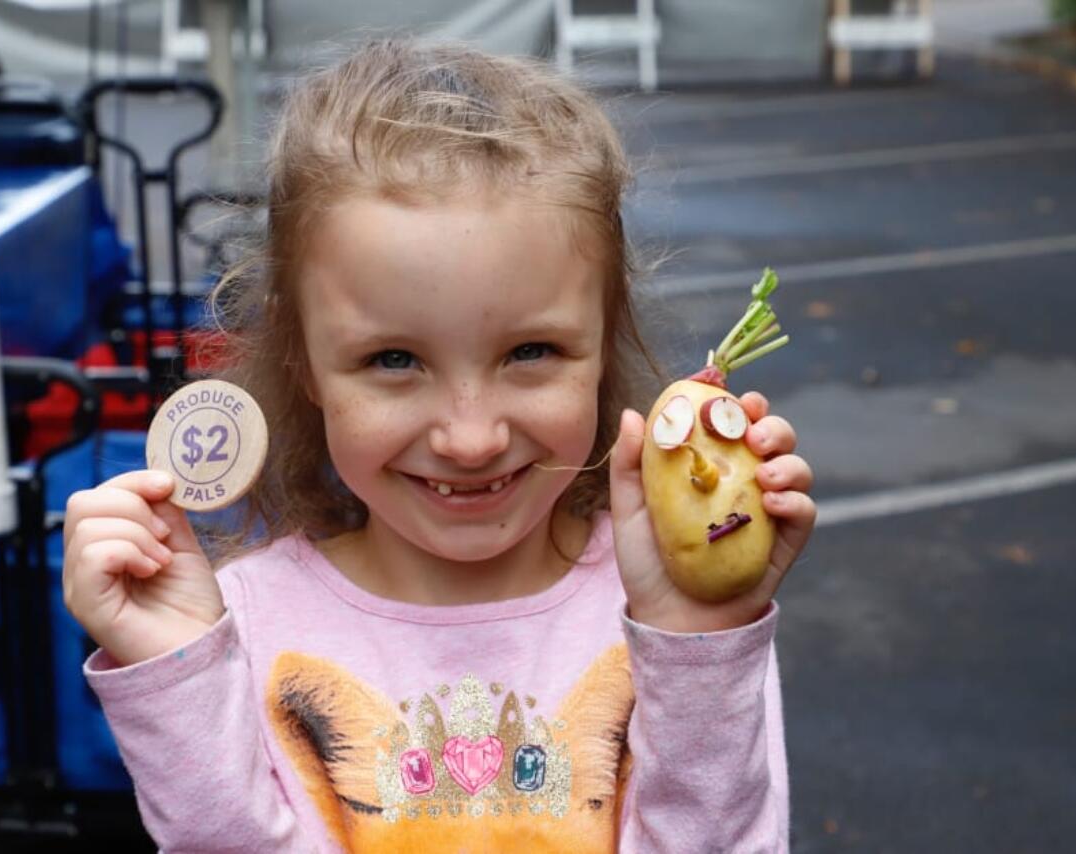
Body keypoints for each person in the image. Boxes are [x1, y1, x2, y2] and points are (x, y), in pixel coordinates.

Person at [63, 40, 816, 853]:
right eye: (394, 360)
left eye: (531, 353)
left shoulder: (672, 621)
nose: (471, 438)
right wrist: (178, 674)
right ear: (303, 365)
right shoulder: (229, 631)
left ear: (604, 348)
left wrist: (698, 643)